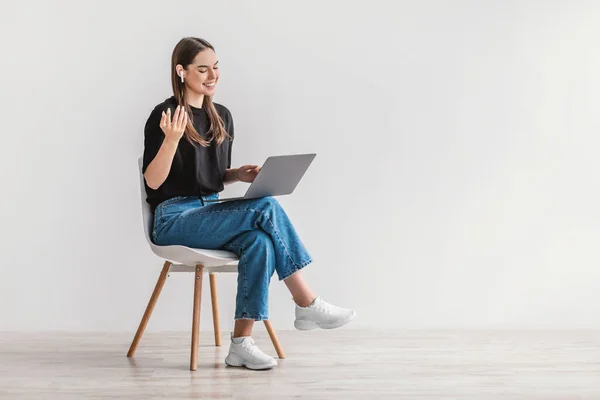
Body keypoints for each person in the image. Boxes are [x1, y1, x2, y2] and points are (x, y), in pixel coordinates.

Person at [142, 37, 356, 370]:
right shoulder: (165, 115)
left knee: (258, 241)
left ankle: (241, 343)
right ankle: (305, 300)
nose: (212, 75)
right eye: (203, 69)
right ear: (181, 71)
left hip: (207, 210)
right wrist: (171, 140)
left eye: (216, 67)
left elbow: (207, 176)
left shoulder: (221, 116)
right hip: (173, 219)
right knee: (265, 207)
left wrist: (236, 174)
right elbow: (153, 181)